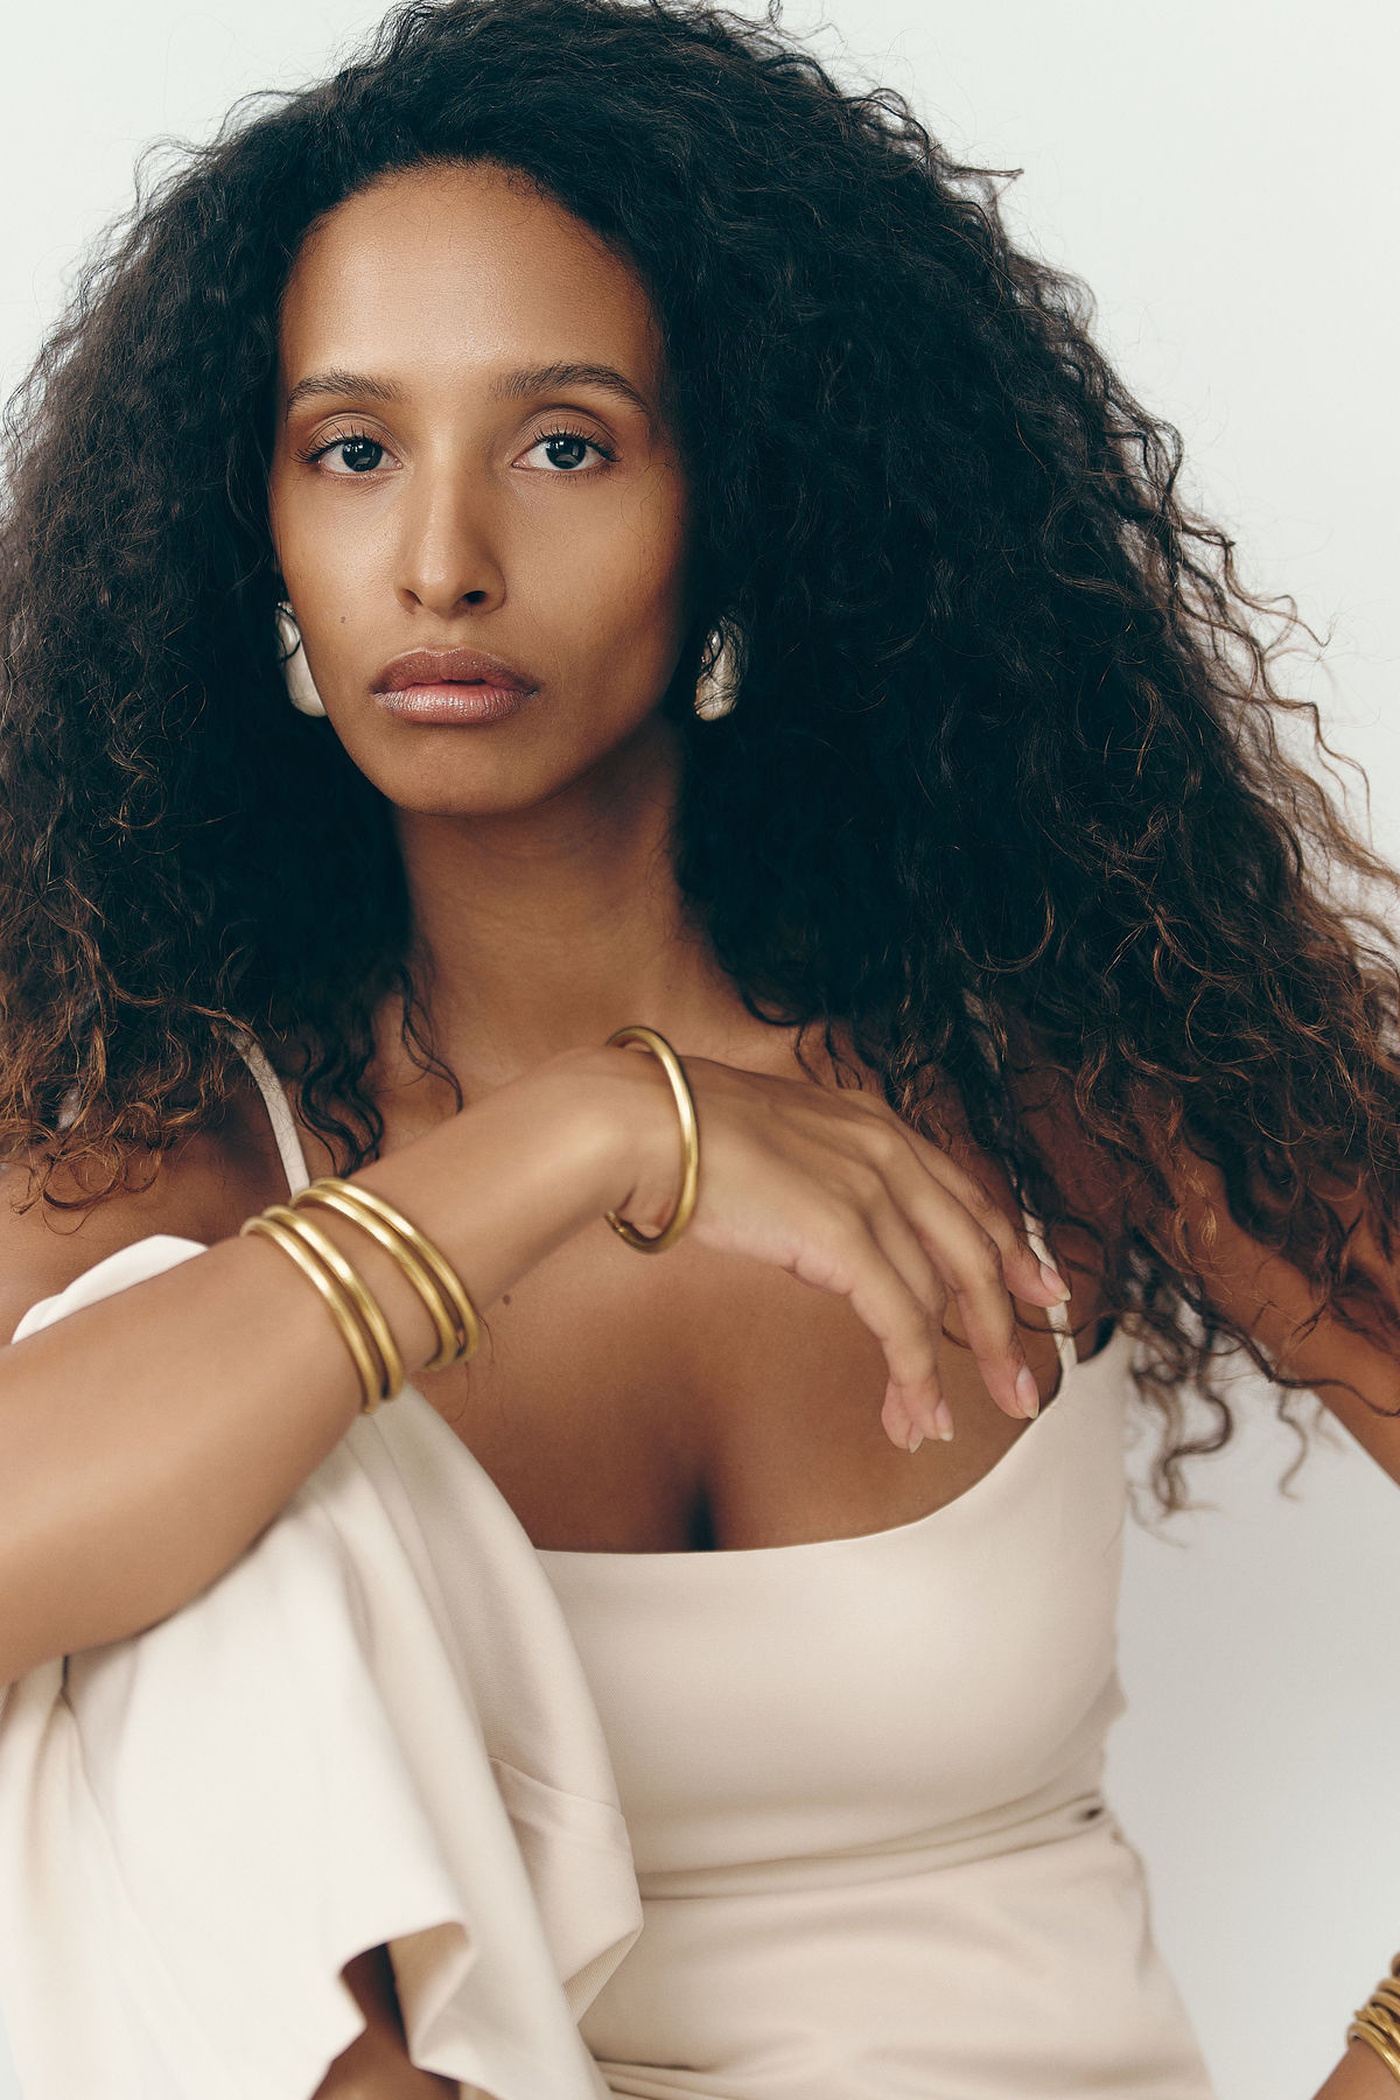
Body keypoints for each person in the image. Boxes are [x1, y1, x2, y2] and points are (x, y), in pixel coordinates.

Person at [0, 0, 1398, 2093]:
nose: (442, 563)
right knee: (192, 1454)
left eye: (564, 446)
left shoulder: (1053, 1066)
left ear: (743, 503)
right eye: (351, 450)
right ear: (252, 525)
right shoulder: (165, 1122)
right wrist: (580, 1140)